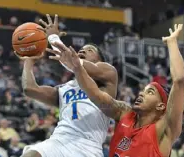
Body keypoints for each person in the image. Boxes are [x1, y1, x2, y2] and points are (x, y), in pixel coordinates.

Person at [58, 24, 184, 157]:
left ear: (160, 106)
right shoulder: (125, 113)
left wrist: (171, 43)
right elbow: (96, 95)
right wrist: (78, 68)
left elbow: (179, 80)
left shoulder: (164, 129)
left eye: (150, 92)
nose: (141, 93)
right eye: (143, 90)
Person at [20, 14, 118, 157]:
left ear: (100, 60)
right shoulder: (64, 88)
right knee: (31, 154)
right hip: (59, 140)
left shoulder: (108, 73)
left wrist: (53, 37)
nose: (82, 51)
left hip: (88, 145)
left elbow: (73, 61)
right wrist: (28, 61)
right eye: (81, 49)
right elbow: (30, 89)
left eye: (90, 50)